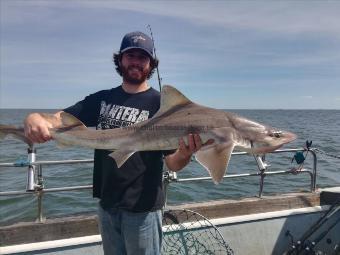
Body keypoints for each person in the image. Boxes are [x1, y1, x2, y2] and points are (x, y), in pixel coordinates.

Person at [24, 31, 204, 255]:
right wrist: (36, 118)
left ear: (151, 64)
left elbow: (173, 164)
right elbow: (60, 118)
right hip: (107, 204)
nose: (136, 62)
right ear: (120, 60)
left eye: (142, 57)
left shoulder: (161, 105)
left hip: (143, 209)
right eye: (130, 56)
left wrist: (186, 153)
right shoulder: (102, 99)